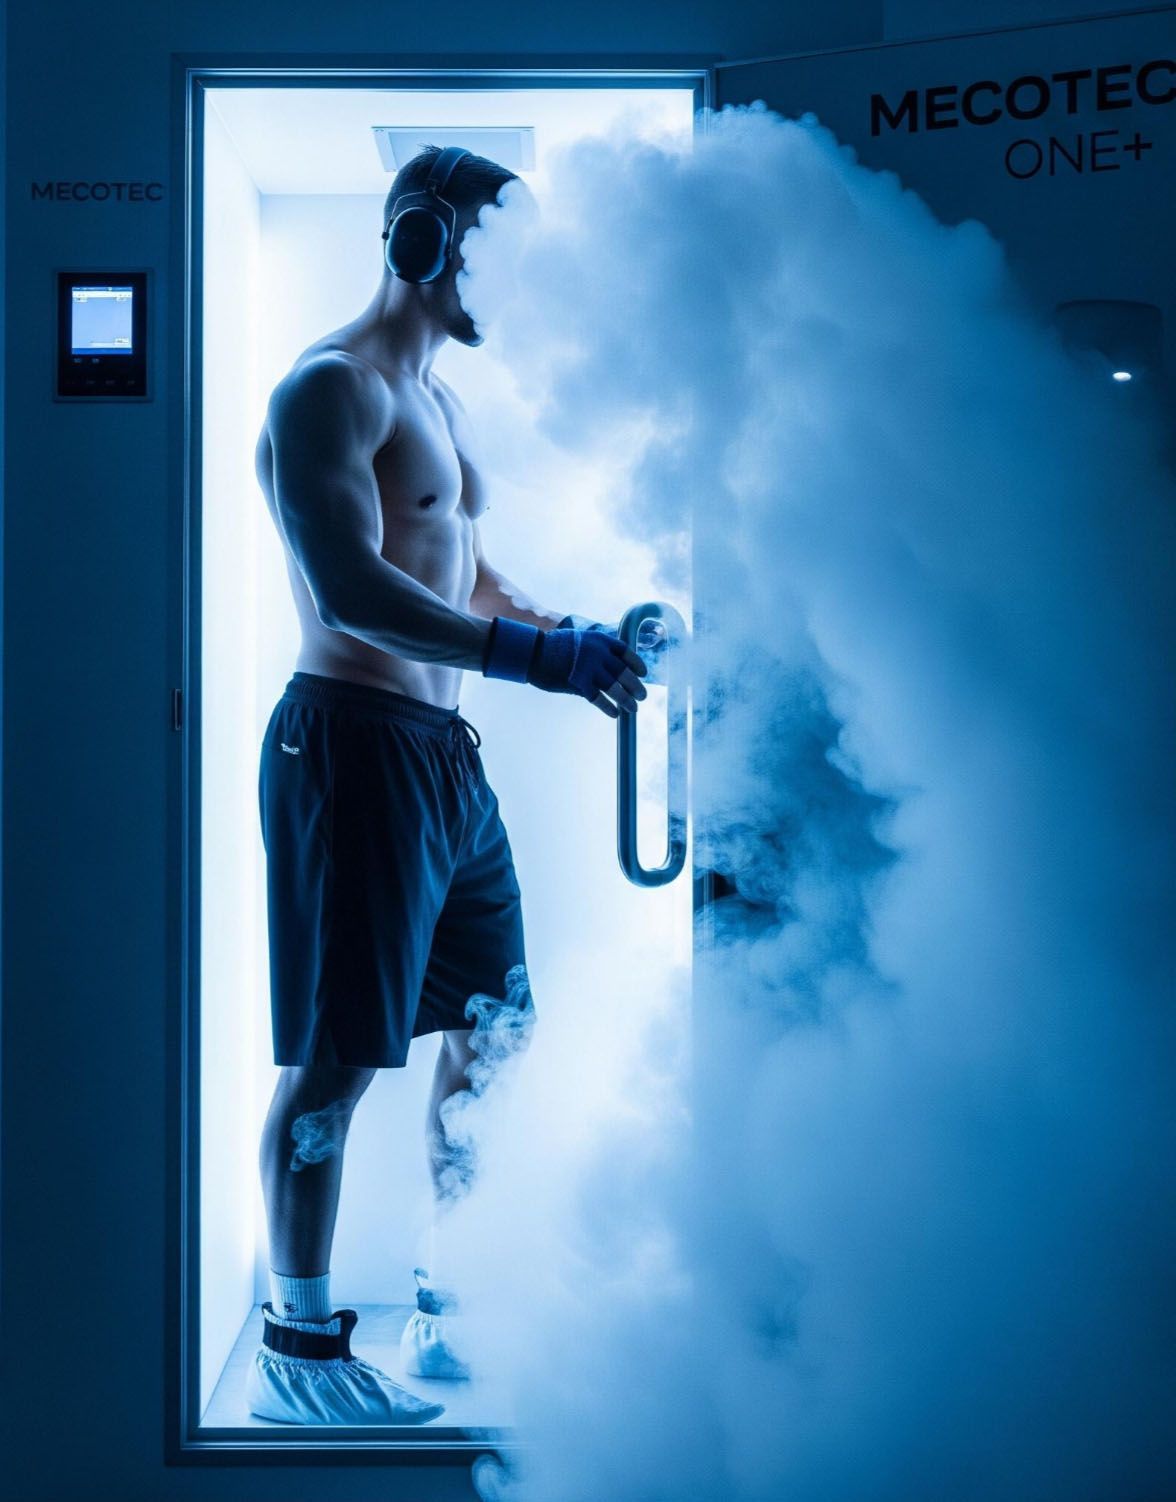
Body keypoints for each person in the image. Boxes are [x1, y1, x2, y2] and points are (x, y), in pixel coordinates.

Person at [245, 144, 648, 1425]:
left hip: (442, 758)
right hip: (351, 747)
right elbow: (350, 589)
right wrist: (532, 659)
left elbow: (461, 569)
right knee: (335, 1058)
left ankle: (449, 1295)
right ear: (420, 238)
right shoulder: (331, 388)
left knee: (496, 1020)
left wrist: (568, 629)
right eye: (495, 254)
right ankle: (299, 1352)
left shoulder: (442, 401)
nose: (513, 286)